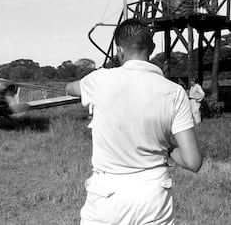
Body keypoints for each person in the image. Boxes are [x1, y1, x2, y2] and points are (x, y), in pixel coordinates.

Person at [66, 19, 203, 225]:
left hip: (106, 194)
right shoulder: (174, 92)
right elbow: (193, 162)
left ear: (119, 49)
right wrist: (166, 148)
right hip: (154, 194)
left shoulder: (99, 80)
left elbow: (70, 88)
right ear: (152, 48)